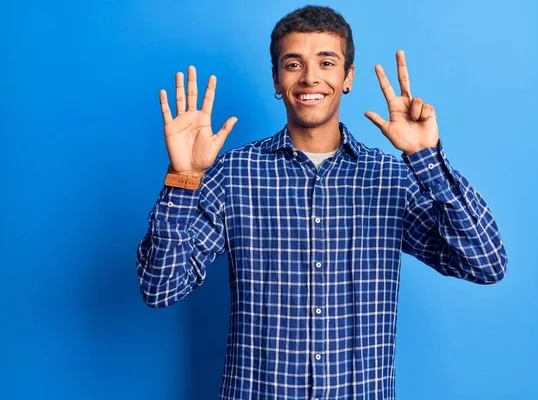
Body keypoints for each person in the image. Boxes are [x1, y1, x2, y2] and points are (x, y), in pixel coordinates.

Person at [136, 5, 507, 399]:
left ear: (347, 77)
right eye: (293, 64)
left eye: (326, 62)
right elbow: (160, 288)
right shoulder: (233, 174)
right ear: (277, 80)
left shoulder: (391, 179)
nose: (310, 77)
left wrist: (427, 158)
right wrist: (185, 178)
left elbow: (485, 263)